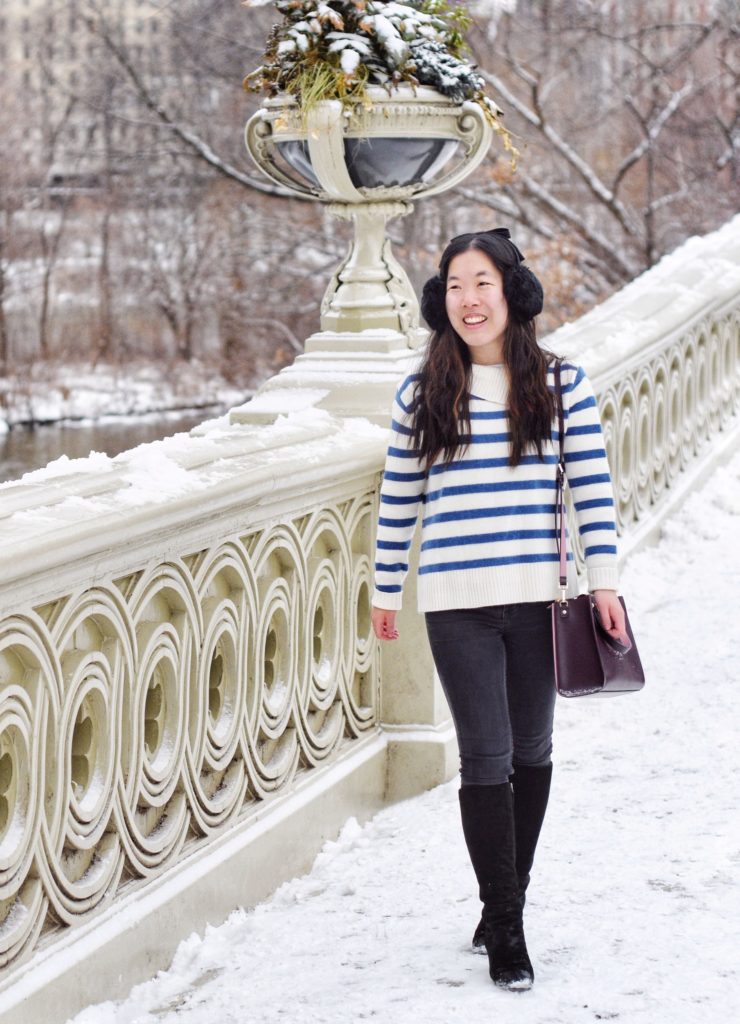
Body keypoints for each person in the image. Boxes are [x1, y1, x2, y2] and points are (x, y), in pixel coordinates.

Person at [370, 228, 627, 992]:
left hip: (539, 600)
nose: (468, 300)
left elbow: (592, 487)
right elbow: (399, 499)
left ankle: (502, 900)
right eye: (454, 286)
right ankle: (507, 925)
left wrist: (605, 582)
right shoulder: (422, 393)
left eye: (481, 283)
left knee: (532, 755)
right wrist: (386, 591)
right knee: (485, 758)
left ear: (511, 293)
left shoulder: (561, 384)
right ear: (439, 300)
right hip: (456, 604)